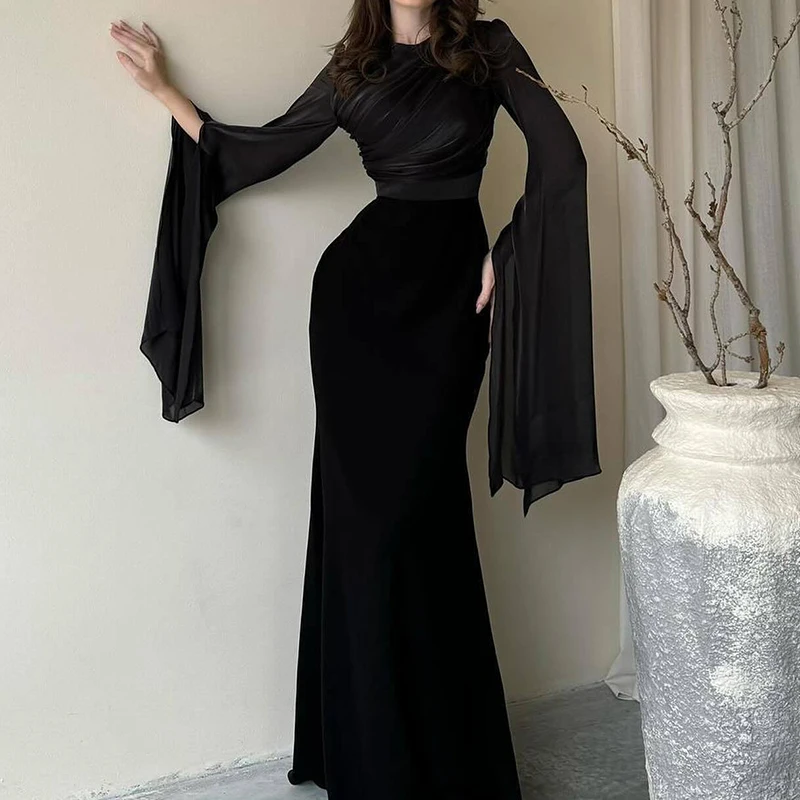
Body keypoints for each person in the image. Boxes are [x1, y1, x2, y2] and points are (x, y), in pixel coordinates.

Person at [110, 2, 600, 797]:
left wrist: (509, 252)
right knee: (363, 530)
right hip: (354, 311)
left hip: (449, 308)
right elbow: (256, 152)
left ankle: (444, 759)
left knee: (418, 521)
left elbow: (563, 160)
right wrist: (167, 93)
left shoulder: (487, 47)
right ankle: (370, 758)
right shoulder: (353, 64)